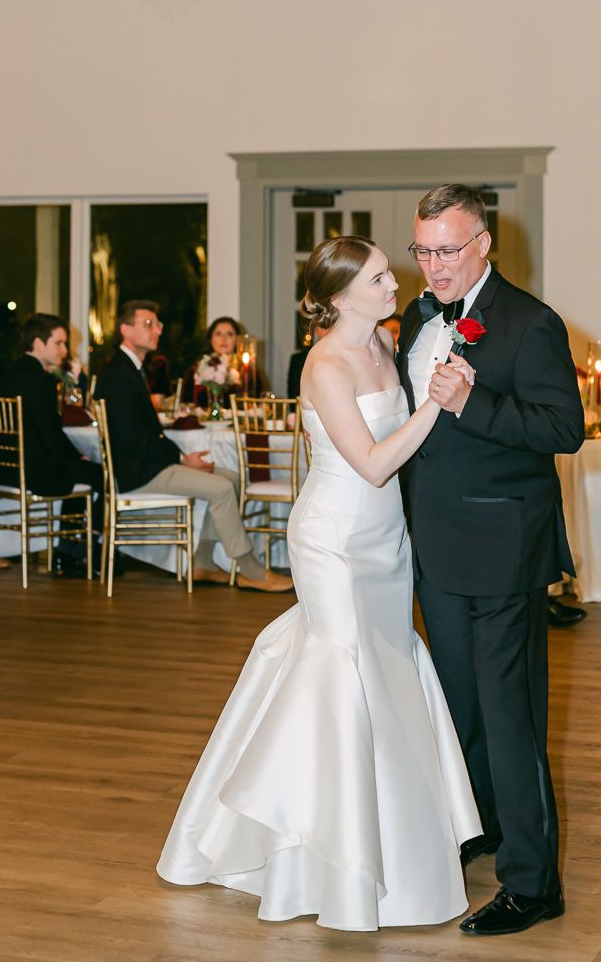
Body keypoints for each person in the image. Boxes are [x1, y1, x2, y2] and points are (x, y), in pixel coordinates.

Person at [157, 237, 482, 931]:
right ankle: (318, 860)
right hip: (334, 538)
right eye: (375, 278)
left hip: (386, 540)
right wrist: (437, 404)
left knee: (387, 682)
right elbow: (367, 463)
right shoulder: (325, 363)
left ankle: (394, 847)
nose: (392, 284)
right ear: (338, 297)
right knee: (342, 682)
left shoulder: (387, 347)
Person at [397, 184, 584, 937]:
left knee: (512, 718)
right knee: (456, 706)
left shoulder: (532, 323)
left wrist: (475, 404)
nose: (433, 265)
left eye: (446, 249)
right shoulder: (415, 317)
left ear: (484, 246)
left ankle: (534, 885)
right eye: (422, 249)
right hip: (434, 544)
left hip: (503, 547)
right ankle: (484, 825)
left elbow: (563, 429)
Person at [94, 301, 292, 593]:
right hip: (137, 471)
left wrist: (182, 457)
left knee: (231, 479)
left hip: (148, 463)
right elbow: (133, 440)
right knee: (221, 488)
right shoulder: (118, 375)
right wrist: (182, 458)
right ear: (125, 329)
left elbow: (144, 434)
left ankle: (204, 564)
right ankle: (251, 570)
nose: (158, 330)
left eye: (158, 324)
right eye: (148, 324)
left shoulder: (130, 369)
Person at [0, 313, 104, 574]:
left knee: (81, 471)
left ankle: (69, 551)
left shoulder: (7, 375)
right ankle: (75, 553)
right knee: (101, 474)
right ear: (38, 343)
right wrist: (77, 457)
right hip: (36, 472)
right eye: (59, 343)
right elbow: (51, 436)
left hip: (8, 469)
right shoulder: (40, 380)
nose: (65, 351)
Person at [184, 316, 257, 408]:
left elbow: (257, 405)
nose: (223, 338)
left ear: (237, 340)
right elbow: (186, 405)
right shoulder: (195, 371)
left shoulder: (248, 371)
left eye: (229, 334)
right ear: (210, 339)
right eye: (218, 334)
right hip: (207, 418)